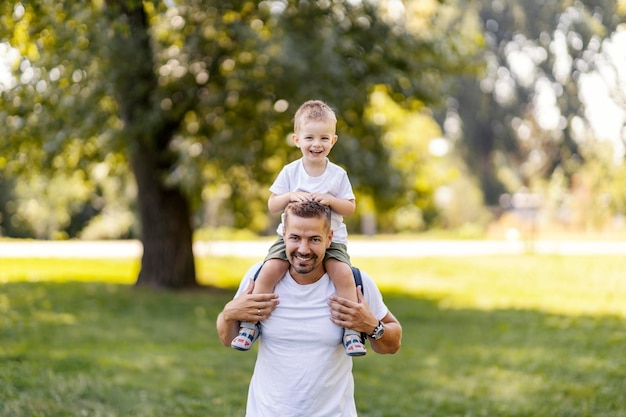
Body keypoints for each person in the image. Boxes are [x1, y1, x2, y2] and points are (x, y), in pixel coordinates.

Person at [216, 201, 402, 417]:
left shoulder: (354, 283)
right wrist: (229, 313)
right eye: (295, 238)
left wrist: (372, 326)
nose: (303, 249)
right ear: (283, 234)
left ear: (329, 238)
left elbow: (393, 344)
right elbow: (227, 339)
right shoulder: (259, 277)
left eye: (314, 239)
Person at [231, 100, 366, 356]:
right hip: (290, 238)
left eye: (324, 138)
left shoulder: (337, 175)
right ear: (296, 139)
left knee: (344, 275)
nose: (317, 144)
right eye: (310, 137)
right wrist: (290, 196)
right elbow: (273, 205)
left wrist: (331, 200)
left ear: (333, 141)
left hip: (330, 240)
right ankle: (251, 324)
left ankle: (352, 332)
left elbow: (350, 207)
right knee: (269, 270)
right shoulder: (290, 171)